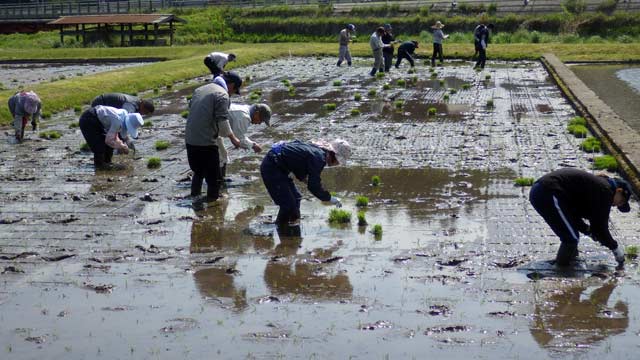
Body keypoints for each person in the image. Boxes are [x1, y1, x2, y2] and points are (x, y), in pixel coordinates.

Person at [528, 168, 632, 267]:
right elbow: (600, 228)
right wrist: (615, 248)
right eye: (621, 201)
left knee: (571, 234)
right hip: (548, 192)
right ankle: (560, 272)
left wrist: (588, 231)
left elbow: (572, 216)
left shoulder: (597, 188)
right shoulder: (605, 191)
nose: (617, 205)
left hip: (541, 191)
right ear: (619, 190)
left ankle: (570, 262)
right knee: (571, 238)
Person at [260, 139, 351, 227]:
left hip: (281, 167)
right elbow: (313, 186)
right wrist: (329, 198)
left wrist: (306, 180)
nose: (337, 164)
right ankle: (282, 230)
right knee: (287, 205)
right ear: (334, 155)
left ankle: (294, 223)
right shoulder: (319, 158)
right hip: (272, 167)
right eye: (338, 161)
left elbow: (299, 163)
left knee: (296, 198)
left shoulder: (318, 151)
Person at [185, 82, 241, 202]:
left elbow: (192, 110)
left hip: (190, 138)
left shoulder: (199, 89)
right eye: (234, 91)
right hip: (206, 141)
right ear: (231, 85)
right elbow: (222, 121)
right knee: (213, 178)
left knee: (198, 171)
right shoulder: (222, 95)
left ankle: (194, 197)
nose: (231, 94)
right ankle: (213, 207)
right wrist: (233, 138)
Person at [217, 103, 272, 183]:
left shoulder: (244, 109)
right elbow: (239, 139)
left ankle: (220, 179)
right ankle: (218, 181)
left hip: (212, 128)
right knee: (221, 156)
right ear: (257, 114)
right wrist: (254, 145)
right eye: (261, 120)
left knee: (222, 155)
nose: (259, 123)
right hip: (208, 129)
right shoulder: (244, 117)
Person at [78, 105, 143, 171]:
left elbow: (115, 136)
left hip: (97, 120)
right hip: (88, 119)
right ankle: (99, 166)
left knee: (108, 147)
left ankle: (107, 162)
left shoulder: (122, 116)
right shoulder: (118, 121)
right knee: (99, 145)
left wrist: (122, 145)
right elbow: (108, 140)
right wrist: (120, 147)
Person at [90, 93, 155, 115]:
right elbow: (125, 120)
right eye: (145, 112)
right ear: (143, 106)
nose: (143, 114)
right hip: (99, 103)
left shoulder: (137, 101)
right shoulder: (130, 106)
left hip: (103, 102)